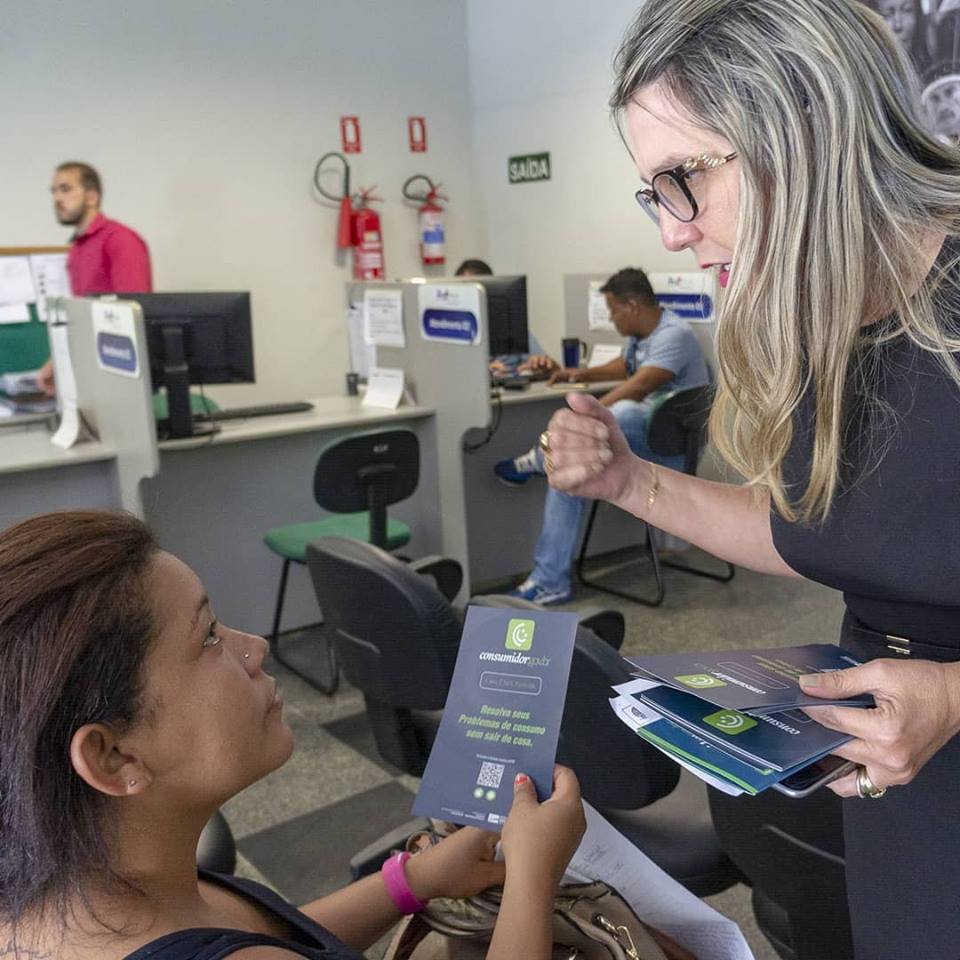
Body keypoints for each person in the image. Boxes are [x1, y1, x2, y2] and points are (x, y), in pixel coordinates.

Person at [544, 1, 960, 956]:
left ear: (802, 129)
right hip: (897, 775)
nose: (671, 233)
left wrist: (953, 692)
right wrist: (633, 484)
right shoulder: (824, 307)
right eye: (653, 194)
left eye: (682, 180)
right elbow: (819, 529)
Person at [0, 510, 586, 960]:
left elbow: (263, 939)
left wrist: (414, 880)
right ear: (113, 756)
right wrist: (532, 879)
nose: (255, 647)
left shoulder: (82, 884)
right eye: (209, 638)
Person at [495, 267, 709, 606]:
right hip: (642, 442)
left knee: (621, 414)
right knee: (570, 472)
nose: (611, 319)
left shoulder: (675, 334)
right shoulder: (642, 337)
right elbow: (625, 367)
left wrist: (585, 413)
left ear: (633, 305)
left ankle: (537, 458)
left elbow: (640, 384)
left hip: (672, 451)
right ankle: (550, 581)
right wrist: (578, 373)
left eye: (613, 310)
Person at [38, 162, 153, 394]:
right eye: (54, 191)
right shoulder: (77, 249)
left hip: (122, 370)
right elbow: (82, 318)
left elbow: (132, 313)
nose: (57, 198)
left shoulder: (120, 240)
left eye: (65, 189)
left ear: (91, 196)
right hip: (93, 369)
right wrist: (58, 359)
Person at [454, 258, 547, 371]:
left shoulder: (511, 327)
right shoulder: (452, 331)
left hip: (510, 380)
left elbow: (546, 364)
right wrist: (483, 371)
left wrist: (539, 364)